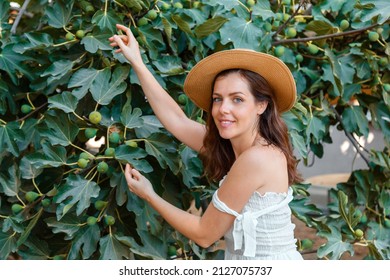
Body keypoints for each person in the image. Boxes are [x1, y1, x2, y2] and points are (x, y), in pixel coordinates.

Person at [110, 24, 303, 260]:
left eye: (237, 100)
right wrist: (137, 62)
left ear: (261, 105)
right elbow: (177, 120)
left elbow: (205, 234)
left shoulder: (257, 158)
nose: (223, 109)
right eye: (217, 99)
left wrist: (149, 194)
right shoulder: (236, 145)